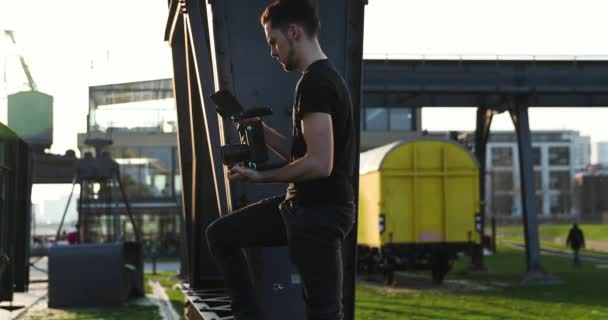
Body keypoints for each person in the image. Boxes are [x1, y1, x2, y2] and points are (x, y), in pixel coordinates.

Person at [205, 1, 356, 319]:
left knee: (324, 312)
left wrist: (261, 177)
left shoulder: (316, 83)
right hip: (300, 208)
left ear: (294, 32)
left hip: (318, 215)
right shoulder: (318, 80)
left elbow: (319, 163)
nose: (272, 51)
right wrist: (261, 131)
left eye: (273, 41)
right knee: (221, 235)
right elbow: (301, 153)